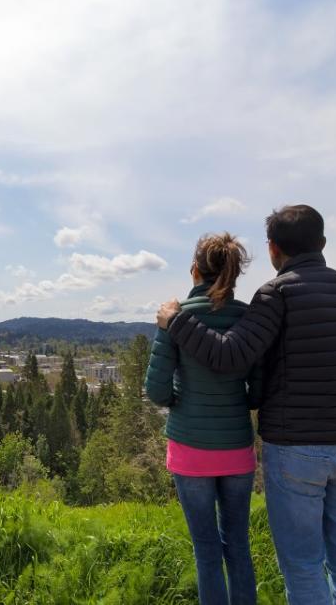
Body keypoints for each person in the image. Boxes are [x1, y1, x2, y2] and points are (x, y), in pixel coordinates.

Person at [156, 205, 336, 605]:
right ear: (323, 244)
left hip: (294, 447)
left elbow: (228, 356)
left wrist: (175, 322)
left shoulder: (277, 293)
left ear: (273, 249)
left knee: (303, 563)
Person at [145, 232, 260, 605]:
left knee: (206, 549)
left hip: (191, 451)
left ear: (194, 270)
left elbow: (157, 390)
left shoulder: (174, 320)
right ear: (233, 274)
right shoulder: (248, 319)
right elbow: (257, 390)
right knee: (238, 545)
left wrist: (184, 401)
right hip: (237, 450)